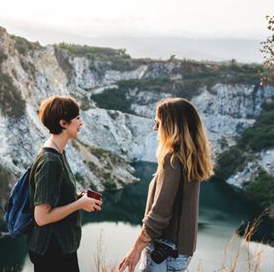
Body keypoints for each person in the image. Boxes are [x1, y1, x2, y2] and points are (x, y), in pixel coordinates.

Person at [118, 97, 213, 272]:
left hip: (164, 251)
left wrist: (136, 248)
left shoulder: (172, 160)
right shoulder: (190, 158)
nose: (155, 128)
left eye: (158, 123)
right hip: (180, 252)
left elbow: (159, 214)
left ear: (172, 127)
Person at [27, 95, 103, 272]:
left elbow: (54, 198)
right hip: (52, 250)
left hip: (59, 246)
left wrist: (76, 198)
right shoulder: (50, 162)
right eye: (77, 118)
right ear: (63, 123)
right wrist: (79, 204)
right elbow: (42, 217)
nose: (81, 122)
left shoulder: (57, 153)